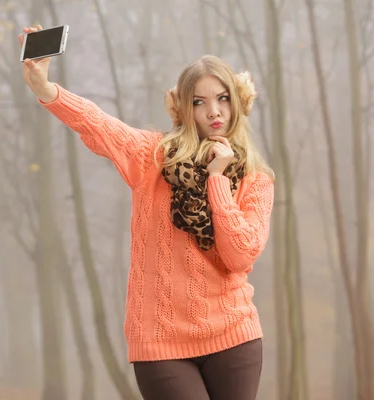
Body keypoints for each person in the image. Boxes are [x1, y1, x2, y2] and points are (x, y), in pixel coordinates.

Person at [18, 25, 275, 400]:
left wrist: (217, 180)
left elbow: (240, 255)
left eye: (222, 98)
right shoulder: (152, 156)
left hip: (233, 336)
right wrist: (46, 89)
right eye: (198, 101)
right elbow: (98, 124)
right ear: (183, 108)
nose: (213, 111)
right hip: (160, 342)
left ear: (237, 101)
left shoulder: (256, 179)